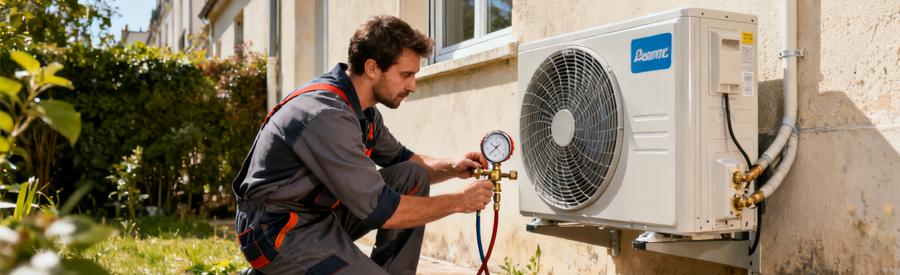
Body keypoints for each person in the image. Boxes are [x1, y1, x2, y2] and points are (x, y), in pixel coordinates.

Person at [232, 15, 494, 275]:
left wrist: (453, 166)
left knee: (410, 176)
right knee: (392, 201)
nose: (412, 85)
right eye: (406, 74)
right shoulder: (326, 114)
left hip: (320, 216)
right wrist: (459, 201)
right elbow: (384, 210)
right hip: (276, 230)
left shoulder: (363, 111)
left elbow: (405, 160)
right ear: (372, 68)